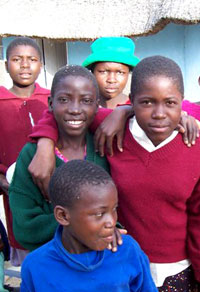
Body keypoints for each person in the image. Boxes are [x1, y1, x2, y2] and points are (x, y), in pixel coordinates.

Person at [28, 56, 200, 291]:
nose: (159, 113)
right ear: (132, 101)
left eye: (170, 103)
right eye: (147, 102)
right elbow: (64, 111)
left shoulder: (194, 144)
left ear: (182, 102)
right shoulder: (110, 129)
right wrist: (45, 144)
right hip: (115, 264)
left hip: (177, 271)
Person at [9, 65, 128, 253]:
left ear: (97, 105)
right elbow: (25, 228)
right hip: (53, 264)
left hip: (102, 260)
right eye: (64, 100)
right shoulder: (32, 155)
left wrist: (124, 110)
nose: (74, 109)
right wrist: (88, 226)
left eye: (86, 100)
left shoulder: (106, 146)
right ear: (50, 103)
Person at [20, 159, 157, 292]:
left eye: (114, 209)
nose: (111, 222)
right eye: (98, 214)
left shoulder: (127, 251)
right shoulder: (36, 266)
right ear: (63, 216)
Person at [0, 36, 50, 266]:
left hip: (52, 190)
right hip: (14, 192)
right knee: (30, 260)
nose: (24, 65)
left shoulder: (53, 99)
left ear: (41, 65)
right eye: (16, 59)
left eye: (32, 59)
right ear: (6, 64)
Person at [82, 37, 140, 109]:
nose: (111, 80)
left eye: (120, 72)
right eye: (103, 72)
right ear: (92, 72)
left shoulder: (137, 109)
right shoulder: (82, 108)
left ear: (128, 73)